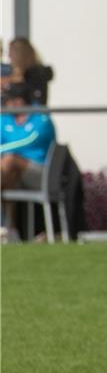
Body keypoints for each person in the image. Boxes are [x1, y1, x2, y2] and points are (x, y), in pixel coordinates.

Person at [1, 81, 56, 239]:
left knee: (10, 160)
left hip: (41, 173)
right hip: (11, 174)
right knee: (7, 172)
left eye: (8, 100)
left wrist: (3, 151)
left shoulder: (41, 117)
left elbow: (30, 140)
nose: (5, 104)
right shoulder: (6, 119)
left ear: (19, 100)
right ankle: (9, 230)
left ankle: (7, 227)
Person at [6, 37, 54, 105]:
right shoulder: (14, 73)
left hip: (32, 113)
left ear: (19, 55)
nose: (9, 56)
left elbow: (31, 99)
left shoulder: (36, 74)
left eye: (11, 52)